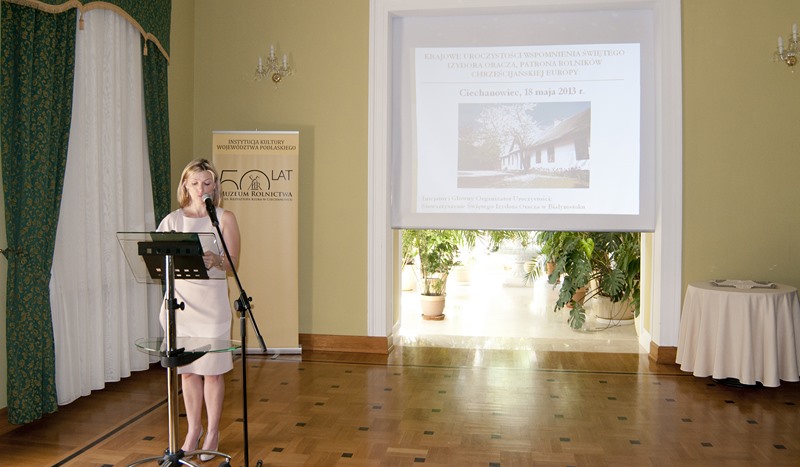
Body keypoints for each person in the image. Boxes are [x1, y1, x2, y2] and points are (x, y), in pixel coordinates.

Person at [157, 158, 240, 460]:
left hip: (211, 304)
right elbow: (158, 258)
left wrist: (216, 260)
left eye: (207, 183)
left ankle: (213, 431)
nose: (201, 188)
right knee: (189, 372)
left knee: (212, 372)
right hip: (181, 305)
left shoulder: (224, 218)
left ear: (215, 186)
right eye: (195, 183)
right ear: (185, 185)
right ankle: (193, 431)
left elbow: (233, 264)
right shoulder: (172, 221)